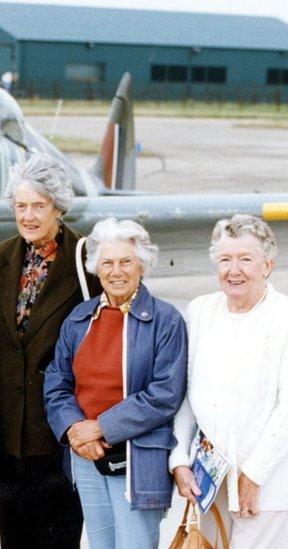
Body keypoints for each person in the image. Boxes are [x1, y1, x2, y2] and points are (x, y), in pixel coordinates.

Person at [0, 154, 99, 548]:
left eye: (38, 206)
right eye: (21, 206)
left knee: (58, 536)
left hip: (61, 431)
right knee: (14, 535)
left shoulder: (86, 260)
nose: (28, 216)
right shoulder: (0, 260)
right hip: (11, 432)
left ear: (58, 207)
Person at [43, 218, 187, 549]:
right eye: (107, 262)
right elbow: (57, 381)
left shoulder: (166, 321)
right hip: (86, 455)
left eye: (126, 261)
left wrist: (101, 427)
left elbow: (164, 395)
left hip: (136, 458)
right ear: (96, 268)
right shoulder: (79, 318)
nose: (116, 271)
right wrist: (74, 429)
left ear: (142, 265)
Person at [171, 214, 288, 546]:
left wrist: (254, 475)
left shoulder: (284, 316)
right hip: (211, 480)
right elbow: (187, 396)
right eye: (225, 259)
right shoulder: (201, 311)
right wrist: (179, 459)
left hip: (269, 482)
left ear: (267, 265)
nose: (233, 270)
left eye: (245, 259)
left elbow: (286, 410)